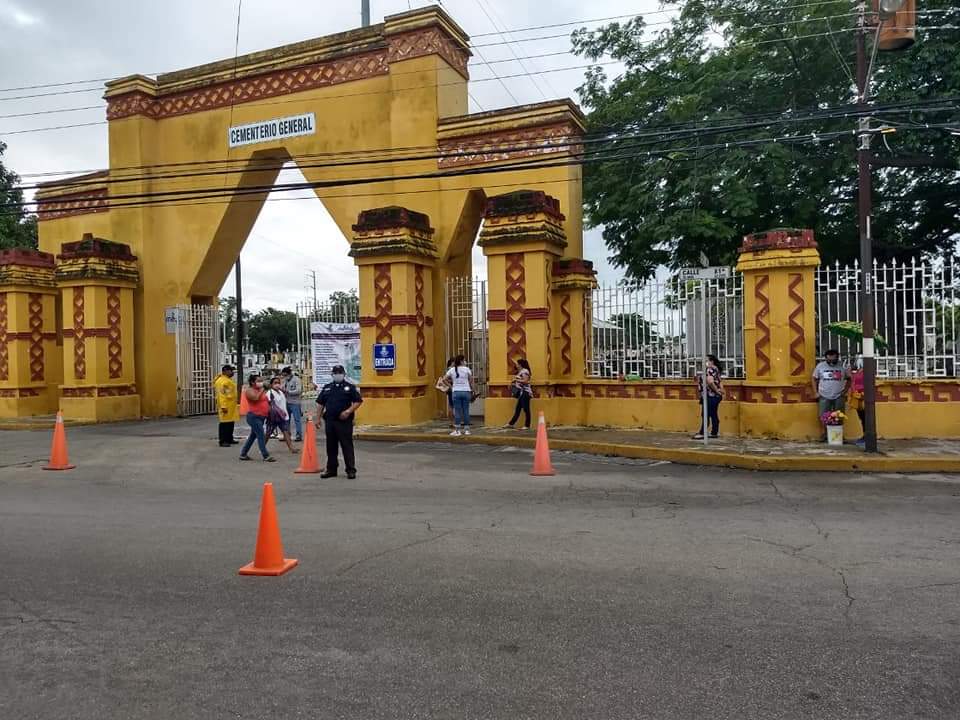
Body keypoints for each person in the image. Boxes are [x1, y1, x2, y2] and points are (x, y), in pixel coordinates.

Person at [316, 364, 363, 479]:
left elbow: (358, 401)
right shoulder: (327, 388)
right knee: (331, 447)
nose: (338, 375)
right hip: (330, 421)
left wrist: (348, 411)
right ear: (332, 375)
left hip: (344, 422)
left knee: (346, 446)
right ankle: (331, 469)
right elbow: (320, 403)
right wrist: (317, 418)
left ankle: (350, 470)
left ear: (344, 374)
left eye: (340, 373)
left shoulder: (349, 387)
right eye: (336, 373)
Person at [813, 349, 851, 439]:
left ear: (837, 358)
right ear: (826, 358)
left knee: (839, 416)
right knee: (823, 415)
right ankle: (825, 434)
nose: (831, 362)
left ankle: (838, 435)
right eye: (829, 360)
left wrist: (845, 391)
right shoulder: (820, 366)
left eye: (833, 360)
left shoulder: (842, 366)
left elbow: (849, 379)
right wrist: (815, 392)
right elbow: (814, 378)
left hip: (839, 395)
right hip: (823, 395)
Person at [239, 374, 276, 462]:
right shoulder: (249, 391)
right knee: (261, 435)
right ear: (252, 382)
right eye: (258, 381)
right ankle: (265, 455)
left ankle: (243, 454)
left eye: (261, 381)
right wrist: (262, 389)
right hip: (254, 417)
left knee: (252, 436)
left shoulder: (260, 390)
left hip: (262, 416)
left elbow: (266, 401)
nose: (261, 383)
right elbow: (255, 398)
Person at [692, 355, 724, 440]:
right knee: (713, 414)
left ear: (711, 361)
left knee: (705, 414)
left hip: (710, 396)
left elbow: (710, 382)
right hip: (715, 397)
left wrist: (716, 391)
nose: (705, 362)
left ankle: (702, 433)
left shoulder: (710, 369)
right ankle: (714, 432)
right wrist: (721, 391)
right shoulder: (716, 369)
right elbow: (720, 381)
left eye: (706, 360)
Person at [267, 376, 299, 455]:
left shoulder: (280, 392)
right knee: (268, 433)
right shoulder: (269, 393)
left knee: (286, 432)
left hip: (283, 416)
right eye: (275, 383)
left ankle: (291, 448)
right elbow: (269, 404)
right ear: (271, 385)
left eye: (278, 383)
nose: (277, 384)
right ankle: (262, 448)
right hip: (274, 417)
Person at [445, 355, 474, 436]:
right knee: (466, 411)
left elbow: (444, 379)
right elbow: (471, 380)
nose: (465, 361)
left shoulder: (451, 370)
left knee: (457, 411)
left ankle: (457, 431)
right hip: (466, 391)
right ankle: (467, 430)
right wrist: (472, 389)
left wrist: (452, 386)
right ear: (461, 361)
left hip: (456, 392)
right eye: (464, 360)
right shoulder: (467, 369)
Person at [213, 364, 239, 447]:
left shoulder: (227, 379)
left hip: (231, 405)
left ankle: (229, 438)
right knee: (224, 424)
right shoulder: (222, 381)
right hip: (226, 405)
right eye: (230, 371)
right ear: (225, 371)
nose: (232, 372)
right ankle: (223, 440)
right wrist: (223, 406)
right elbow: (222, 395)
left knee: (230, 423)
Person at [505, 358, 533, 430]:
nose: (516, 365)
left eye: (517, 364)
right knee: (518, 409)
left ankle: (527, 425)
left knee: (526, 409)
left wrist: (516, 380)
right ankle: (511, 423)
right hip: (521, 393)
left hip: (525, 392)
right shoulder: (520, 372)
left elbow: (526, 381)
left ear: (520, 365)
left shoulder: (524, 371)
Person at [282, 367, 303, 442]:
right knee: (286, 420)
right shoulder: (285, 380)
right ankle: (287, 435)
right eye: (283, 375)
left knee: (297, 419)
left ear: (289, 374)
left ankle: (299, 435)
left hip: (295, 403)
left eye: (285, 375)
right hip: (286, 402)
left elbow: (299, 390)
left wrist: (288, 391)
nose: (284, 377)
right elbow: (282, 388)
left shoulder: (296, 379)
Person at [849, 357, 866, 446]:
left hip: (862, 397)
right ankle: (864, 435)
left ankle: (866, 436)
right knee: (861, 417)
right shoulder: (857, 372)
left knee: (865, 417)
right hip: (856, 397)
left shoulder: (866, 372)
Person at [435, 357, 455, 428]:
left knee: (451, 405)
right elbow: (446, 379)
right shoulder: (451, 370)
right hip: (453, 389)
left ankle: (451, 422)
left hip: (449, 390)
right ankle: (454, 422)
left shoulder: (447, 370)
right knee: (454, 406)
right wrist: (451, 385)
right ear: (452, 362)